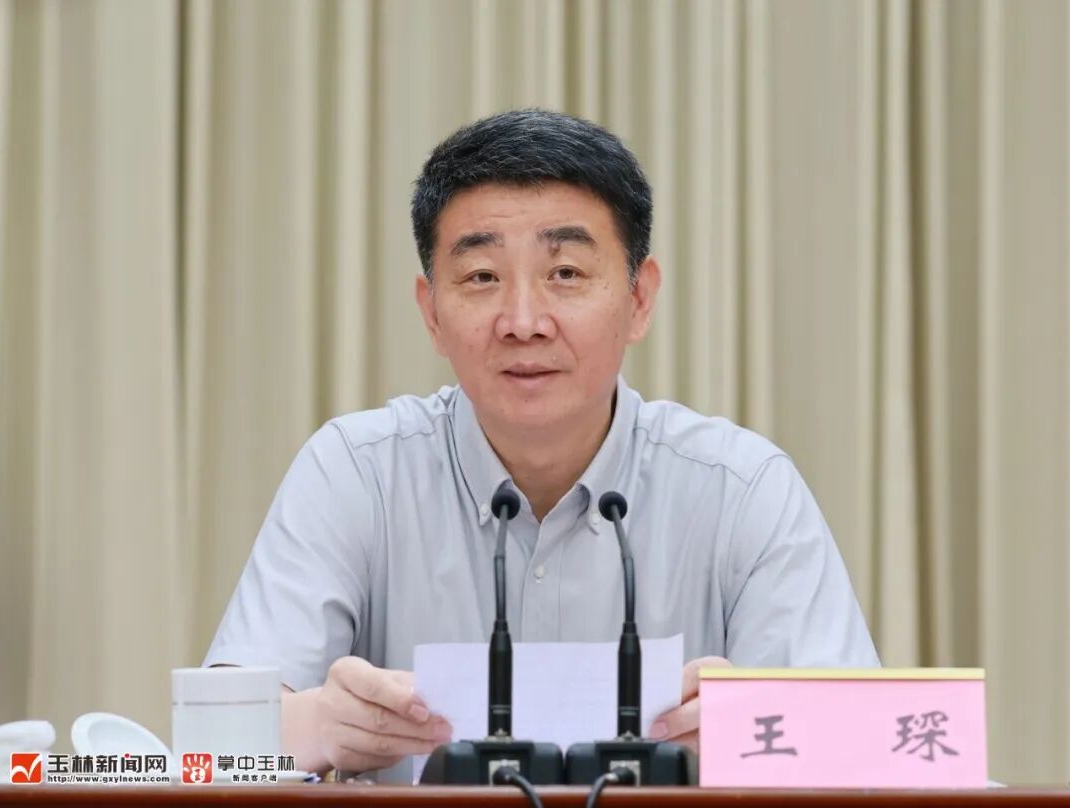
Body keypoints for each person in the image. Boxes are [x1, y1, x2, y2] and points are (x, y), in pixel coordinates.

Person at [203, 109, 879, 782]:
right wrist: (318, 728)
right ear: (431, 313)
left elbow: (867, 753)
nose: (523, 322)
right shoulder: (357, 473)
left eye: (566, 274)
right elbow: (207, 754)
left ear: (640, 299)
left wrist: (753, 737)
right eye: (482, 277)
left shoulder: (741, 488)